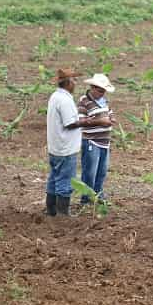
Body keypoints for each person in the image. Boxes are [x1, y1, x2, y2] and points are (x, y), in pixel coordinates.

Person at [46, 68, 110, 216]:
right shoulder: (65, 100)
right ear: (68, 82)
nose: (75, 83)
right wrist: (96, 121)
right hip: (65, 147)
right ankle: (63, 214)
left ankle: (51, 211)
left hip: (56, 145)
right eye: (74, 80)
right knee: (65, 181)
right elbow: (70, 123)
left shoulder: (55, 96)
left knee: (54, 179)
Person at [78, 73, 116, 204]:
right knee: (90, 172)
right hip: (91, 141)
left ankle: (98, 195)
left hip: (105, 142)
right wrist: (100, 122)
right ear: (93, 88)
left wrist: (111, 119)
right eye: (100, 91)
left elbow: (110, 114)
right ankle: (86, 198)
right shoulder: (84, 101)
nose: (102, 93)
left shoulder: (104, 101)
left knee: (102, 171)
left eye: (104, 91)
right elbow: (81, 121)